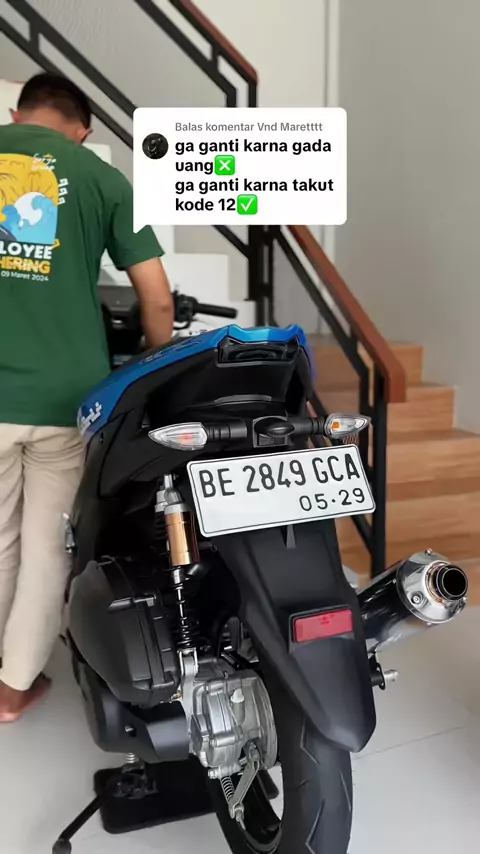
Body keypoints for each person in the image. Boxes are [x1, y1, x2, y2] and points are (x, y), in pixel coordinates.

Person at [0, 73, 174, 722]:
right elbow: (157, 298)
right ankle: (13, 687)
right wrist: (156, 366)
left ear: (16, 112)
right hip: (65, 399)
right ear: (84, 130)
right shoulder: (102, 178)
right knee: (49, 548)